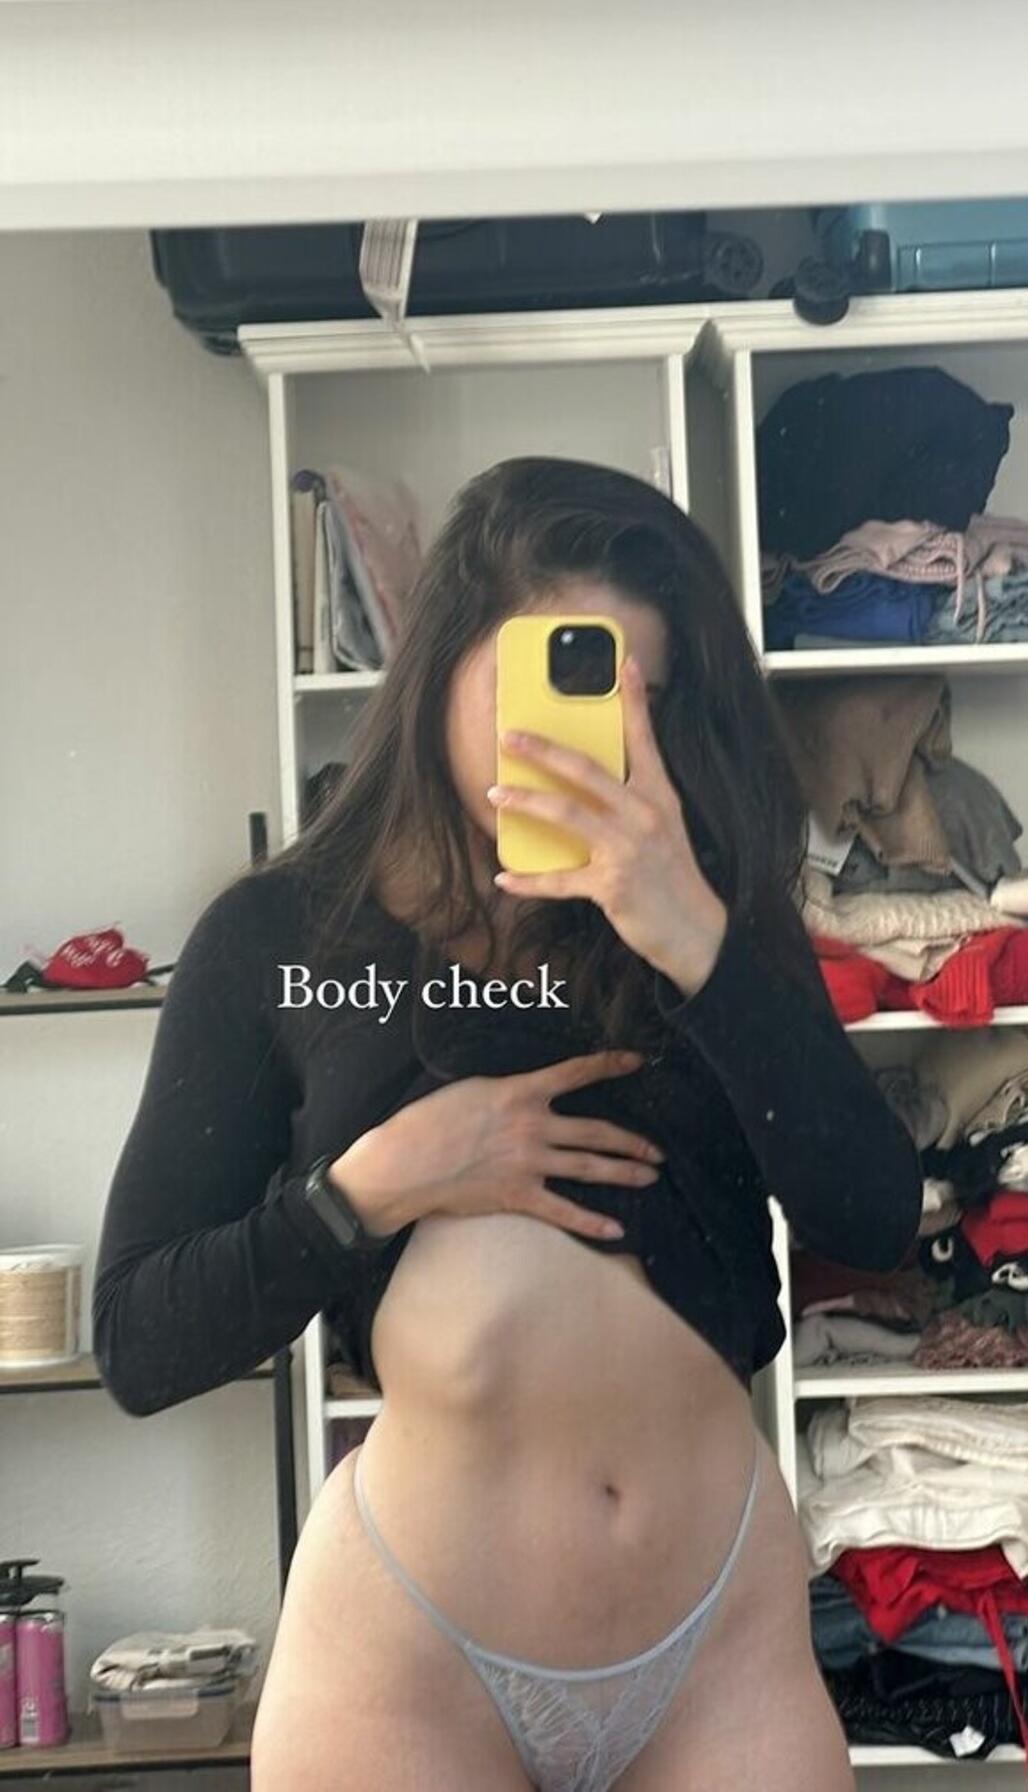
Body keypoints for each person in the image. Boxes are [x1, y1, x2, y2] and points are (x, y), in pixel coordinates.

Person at [93, 456, 923, 1792]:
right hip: (413, 1653)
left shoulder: (711, 912)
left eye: (635, 697)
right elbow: (140, 1337)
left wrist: (694, 940)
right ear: (442, 663)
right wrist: (371, 1188)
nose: (585, 736)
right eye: (553, 680)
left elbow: (875, 1220)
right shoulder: (282, 935)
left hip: (718, 1637)